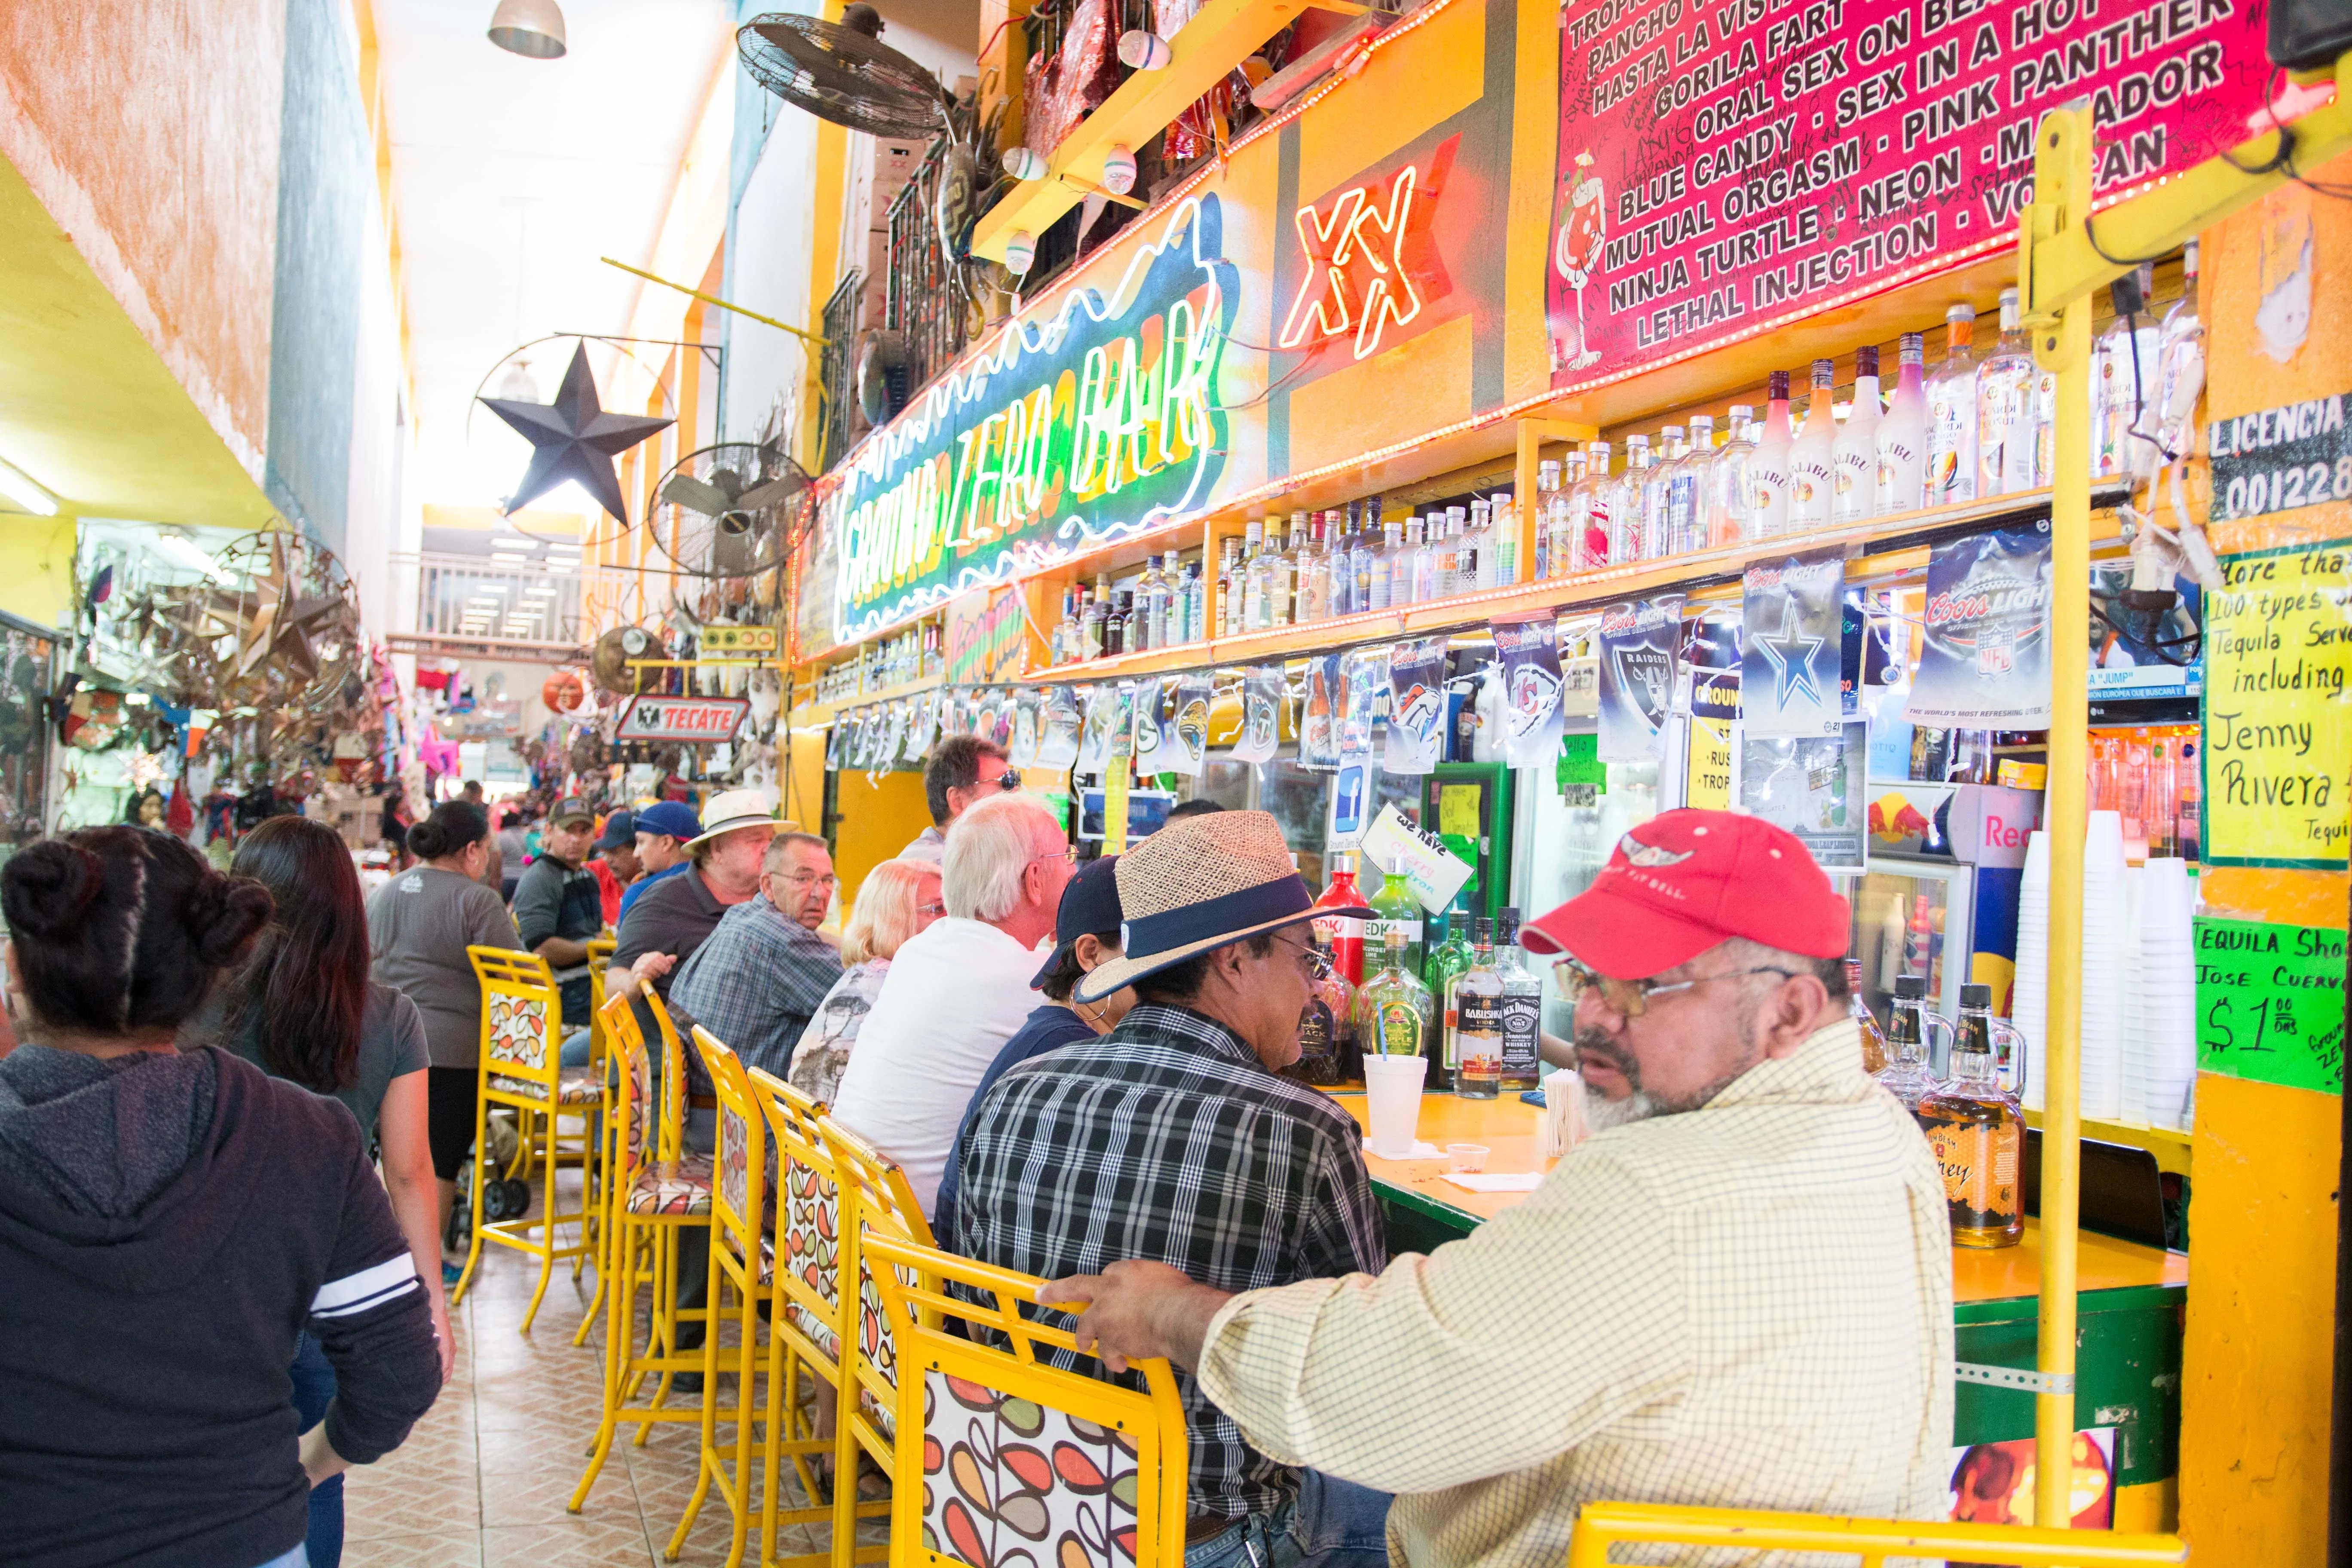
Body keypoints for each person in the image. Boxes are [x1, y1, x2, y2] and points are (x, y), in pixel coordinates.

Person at [1044, 810, 1955, 1568]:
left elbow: (1389, 1386)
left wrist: (1176, 1315)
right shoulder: (1884, 1137)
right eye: (1586, 978)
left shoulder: (1656, 1195)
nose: (1594, 1014)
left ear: (1789, 1010)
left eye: (1641, 988)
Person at [955, 811, 1389, 1568]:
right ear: (1231, 961)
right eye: (1305, 957)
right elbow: (1360, 1378)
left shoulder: (1015, 1088)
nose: (1315, 989)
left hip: (1012, 1500)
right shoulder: (1301, 1128)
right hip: (1203, 1539)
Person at [0, 827, 442, 1568]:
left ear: (18, 966)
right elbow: (400, 1373)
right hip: (242, 1536)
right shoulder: (309, 1136)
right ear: (211, 972)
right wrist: (302, 1472)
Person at [193, 815, 453, 1568]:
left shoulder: (198, 1005)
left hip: (207, 1274)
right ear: (349, 903)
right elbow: (408, 1170)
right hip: (327, 1280)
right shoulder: (391, 1015)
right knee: (313, 1479)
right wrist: (429, 1299)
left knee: (192, 1469)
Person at [831, 792, 1072, 1222]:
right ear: (1034, 880)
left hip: (848, 1224)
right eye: (1067, 857)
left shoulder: (920, 950)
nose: (1075, 871)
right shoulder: (1030, 978)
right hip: (917, 1252)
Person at [931, 854, 1130, 1251]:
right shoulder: (1068, 1055)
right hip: (975, 1300)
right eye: (1150, 950)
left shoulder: (1055, 1030)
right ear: (1090, 955)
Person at [367, 801, 527, 1275]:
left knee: (394, 1156)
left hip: (381, 1043)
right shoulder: (476, 901)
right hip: (451, 1052)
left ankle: (388, 1263)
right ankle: (423, 1266)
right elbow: (518, 976)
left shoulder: (384, 893)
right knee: (437, 1161)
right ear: (473, 850)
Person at [670, 832, 843, 1080]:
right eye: (803, 878)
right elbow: (868, 1001)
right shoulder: (785, 943)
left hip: (697, 1090)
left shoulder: (744, 913)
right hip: (741, 1113)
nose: (820, 893)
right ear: (768, 886)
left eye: (827, 880)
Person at [788, 857, 943, 1105]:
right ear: (895, 918)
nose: (955, 920)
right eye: (938, 909)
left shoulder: (865, 973)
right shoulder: (903, 987)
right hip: (837, 1138)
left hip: (801, 1136)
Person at [511, 798, 603, 1024]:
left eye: (584, 831)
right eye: (568, 830)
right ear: (550, 831)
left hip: (590, 993)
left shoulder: (588, 877)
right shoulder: (540, 878)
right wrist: (595, 947)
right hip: (564, 1002)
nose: (576, 839)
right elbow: (541, 948)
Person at [899, 734, 1015, 864]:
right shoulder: (931, 872)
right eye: (1006, 783)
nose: (1015, 793)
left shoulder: (971, 858)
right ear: (958, 801)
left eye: (1016, 782)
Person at [619, 799, 701, 922]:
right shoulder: (719, 884)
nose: (636, 854)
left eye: (641, 842)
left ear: (666, 843)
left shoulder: (641, 893)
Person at [589, 809, 640, 925]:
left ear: (638, 849)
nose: (607, 859)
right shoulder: (598, 870)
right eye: (605, 852)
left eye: (614, 852)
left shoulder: (656, 884)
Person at [496, 807, 531, 902]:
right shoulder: (527, 837)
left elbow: (497, 858)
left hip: (506, 878)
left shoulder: (500, 837)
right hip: (524, 878)